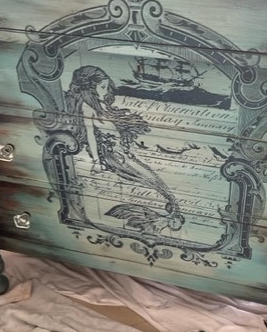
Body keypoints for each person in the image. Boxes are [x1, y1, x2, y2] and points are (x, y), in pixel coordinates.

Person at [64, 65, 184, 234]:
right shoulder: (88, 108)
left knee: (152, 178)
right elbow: (90, 135)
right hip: (114, 156)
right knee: (148, 179)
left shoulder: (99, 105)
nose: (106, 91)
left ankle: (170, 211)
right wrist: (97, 162)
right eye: (102, 87)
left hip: (123, 152)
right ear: (90, 88)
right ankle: (168, 213)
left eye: (107, 86)